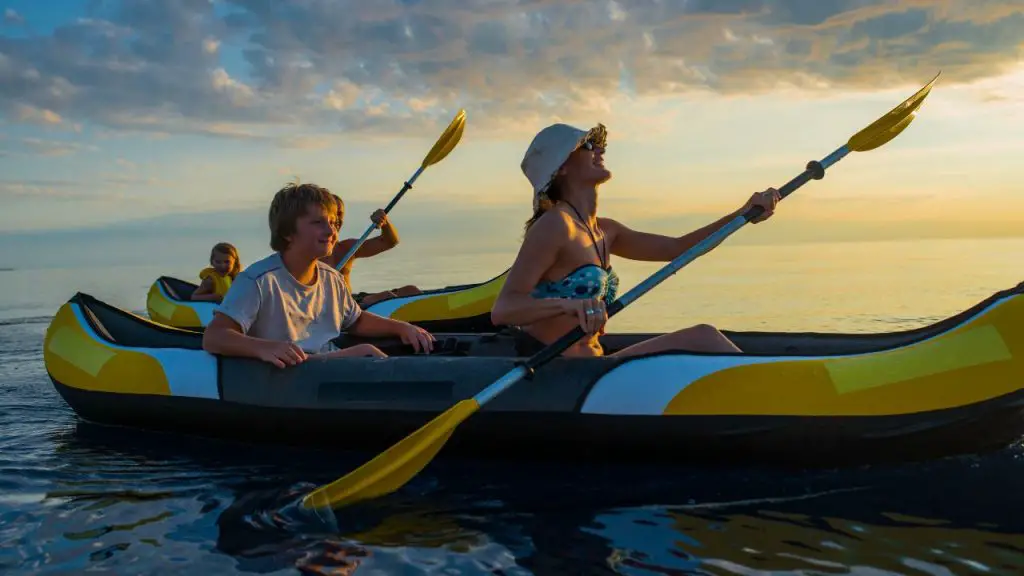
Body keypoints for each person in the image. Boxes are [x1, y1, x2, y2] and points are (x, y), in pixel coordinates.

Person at [490, 122, 781, 358]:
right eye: (588, 145)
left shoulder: (605, 230)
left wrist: (743, 214)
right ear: (561, 167)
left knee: (704, 337)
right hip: (558, 370)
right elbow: (504, 309)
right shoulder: (556, 225)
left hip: (595, 361)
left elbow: (678, 248)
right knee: (703, 336)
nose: (600, 149)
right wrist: (567, 305)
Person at [202, 182, 435, 368]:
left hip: (327, 368)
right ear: (287, 233)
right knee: (366, 353)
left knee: (373, 352)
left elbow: (357, 321)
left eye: (333, 223)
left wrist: (403, 328)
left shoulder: (330, 278)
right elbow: (214, 336)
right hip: (292, 374)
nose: (331, 230)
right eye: (318, 222)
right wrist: (263, 347)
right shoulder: (260, 281)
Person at [321, 193, 422, 306]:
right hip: (334, 308)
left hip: (352, 301)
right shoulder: (307, 252)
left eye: (341, 215)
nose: (338, 220)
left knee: (410, 290)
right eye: (334, 215)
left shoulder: (347, 247)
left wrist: (385, 223)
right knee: (387, 297)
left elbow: (390, 242)